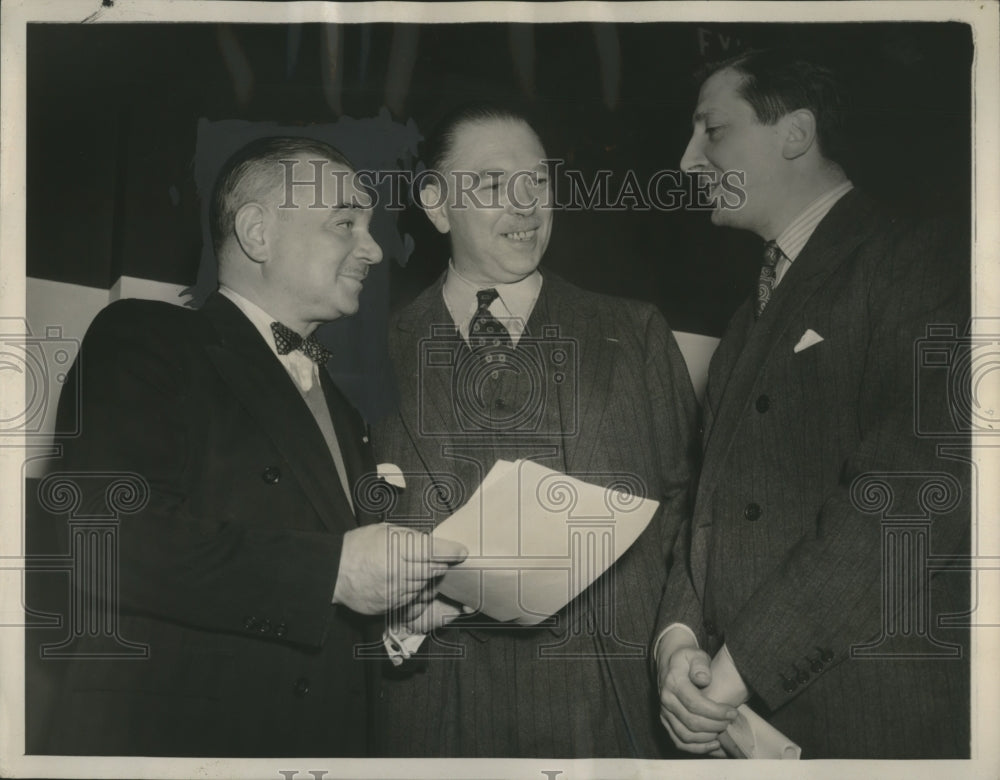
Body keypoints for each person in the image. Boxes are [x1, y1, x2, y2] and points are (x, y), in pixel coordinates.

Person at [38, 136, 466, 756]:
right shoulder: (146, 336)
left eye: (368, 227)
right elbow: (98, 535)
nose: (373, 250)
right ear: (258, 233)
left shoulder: (345, 410)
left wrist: (396, 619)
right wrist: (334, 573)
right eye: (345, 222)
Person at [655, 49, 970, 759]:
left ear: (795, 133)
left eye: (713, 131)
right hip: (745, 727)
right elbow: (705, 507)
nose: (686, 163)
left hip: (876, 724)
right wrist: (676, 645)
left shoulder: (926, 260)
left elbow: (913, 493)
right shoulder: (744, 323)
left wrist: (738, 669)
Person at [373, 107, 698, 758]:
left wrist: (678, 640)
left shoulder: (633, 334)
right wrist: (394, 621)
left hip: (614, 716)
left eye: (539, 183)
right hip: (438, 720)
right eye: (494, 185)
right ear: (437, 206)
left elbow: (693, 510)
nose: (526, 207)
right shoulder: (373, 353)